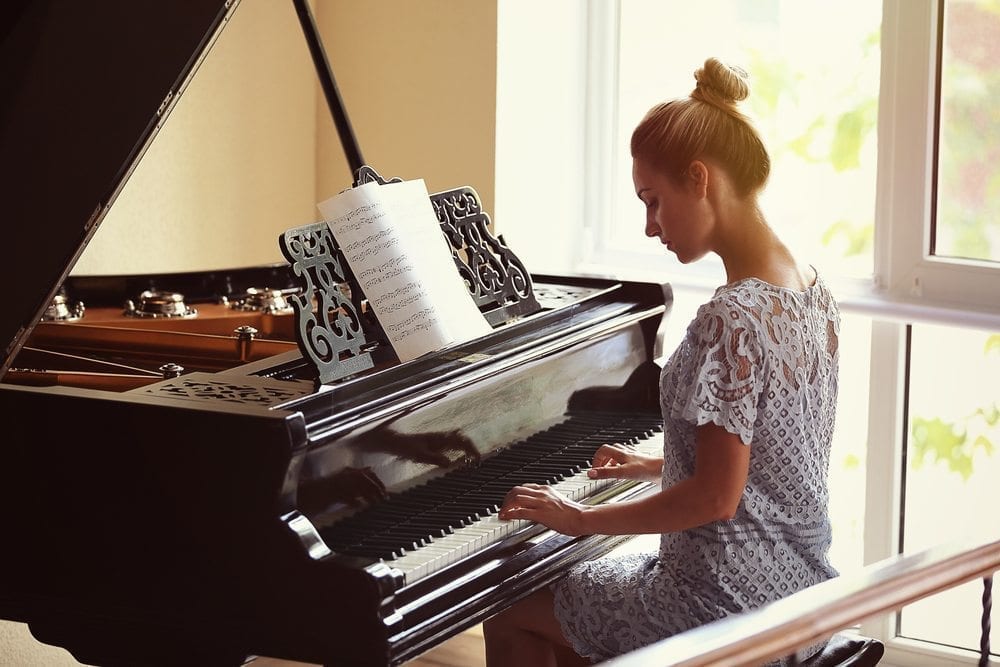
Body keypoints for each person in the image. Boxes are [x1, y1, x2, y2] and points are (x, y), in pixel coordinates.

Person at [483, 57, 841, 666]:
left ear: (699, 179)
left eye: (653, 201)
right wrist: (656, 462)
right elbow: (770, 457)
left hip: (721, 603)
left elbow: (713, 500)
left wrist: (579, 519)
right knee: (570, 613)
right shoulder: (811, 291)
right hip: (797, 586)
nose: (651, 227)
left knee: (508, 608)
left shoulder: (734, 317)